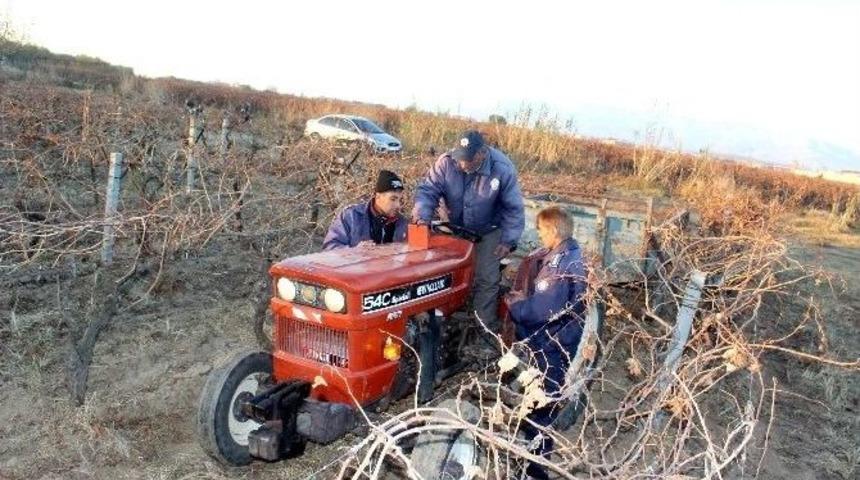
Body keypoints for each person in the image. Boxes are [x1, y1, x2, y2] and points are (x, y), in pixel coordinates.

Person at [412, 130, 525, 342]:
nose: (462, 164)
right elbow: (428, 191)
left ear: (482, 153)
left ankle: (483, 331)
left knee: (486, 278)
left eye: (468, 160)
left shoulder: (502, 168)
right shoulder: (446, 163)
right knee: (440, 271)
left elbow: (514, 208)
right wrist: (421, 219)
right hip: (455, 226)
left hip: (489, 229)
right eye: (460, 158)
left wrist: (508, 240)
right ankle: (442, 320)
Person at [504, 206, 588, 480]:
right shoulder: (573, 254)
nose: (540, 236)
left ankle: (535, 471)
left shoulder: (558, 266)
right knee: (540, 404)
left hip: (551, 346)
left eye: (541, 231)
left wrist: (516, 305)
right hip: (561, 340)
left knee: (540, 410)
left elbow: (541, 310)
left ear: (553, 230)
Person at [323, 170, 408, 250]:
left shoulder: (403, 223)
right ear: (378, 196)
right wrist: (355, 252)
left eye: (400, 200)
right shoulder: (351, 216)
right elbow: (329, 247)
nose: (398, 205)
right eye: (393, 199)